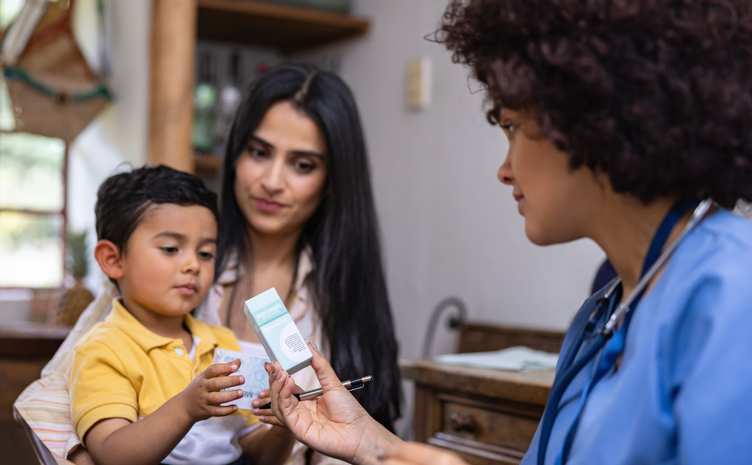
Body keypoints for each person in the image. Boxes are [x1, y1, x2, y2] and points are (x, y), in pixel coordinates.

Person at [262, 1, 752, 465]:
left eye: (513, 126)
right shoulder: (601, 313)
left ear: (596, 122)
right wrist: (368, 442)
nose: (504, 169)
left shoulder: (734, 289)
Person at [15, 62, 401, 465]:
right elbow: (51, 400)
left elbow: (353, 432)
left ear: (333, 178)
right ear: (234, 155)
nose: (272, 180)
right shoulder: (155, 284)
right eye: (258, 152)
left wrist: (286, 425)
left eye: (302, 165)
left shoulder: (341, 291)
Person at [67, 164, 294, 465]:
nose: (193, 265)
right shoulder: (104, 349)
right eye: (171, 248)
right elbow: (111, 454)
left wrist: (283, 430)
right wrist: (186, 408)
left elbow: (250, 447)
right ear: (113, 259)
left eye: (205, 253)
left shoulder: (223, 341)